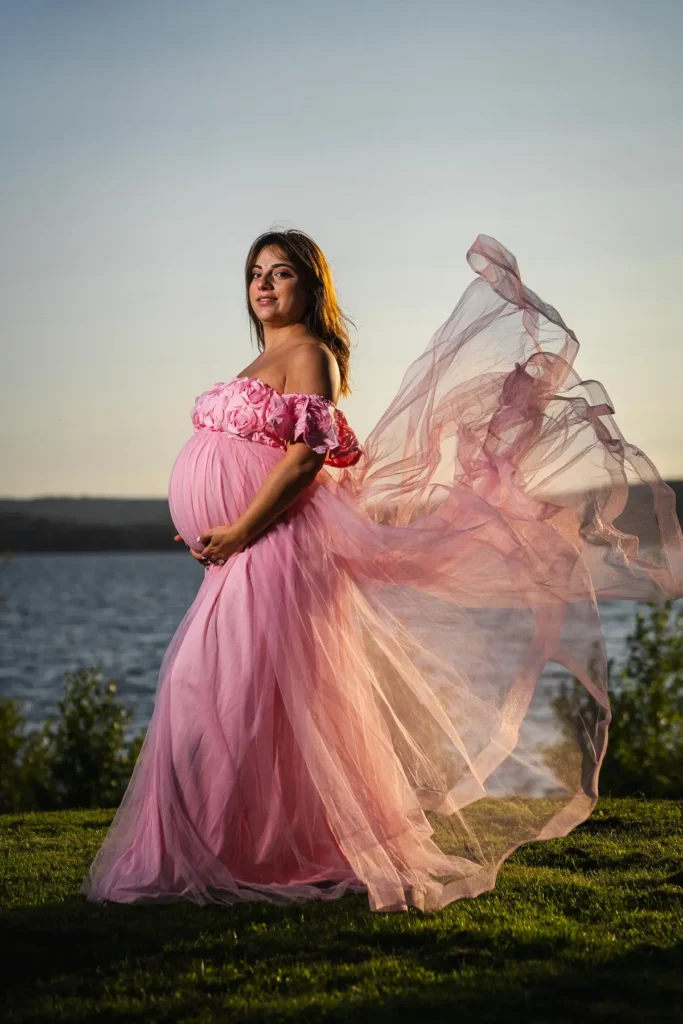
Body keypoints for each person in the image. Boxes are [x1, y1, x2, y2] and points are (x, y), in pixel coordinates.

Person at [82, 229, 683, 913]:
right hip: (241, 554)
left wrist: (241, 525)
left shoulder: (311, 355)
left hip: (274, 548)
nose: (265, 285)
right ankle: (240, 846)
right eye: (256, 273)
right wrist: (210, 518)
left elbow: (306, 454)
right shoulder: (260, 360)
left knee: (222, 693)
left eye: (281, 273)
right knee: (226, 696)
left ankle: (245, 852)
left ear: (312, 287)